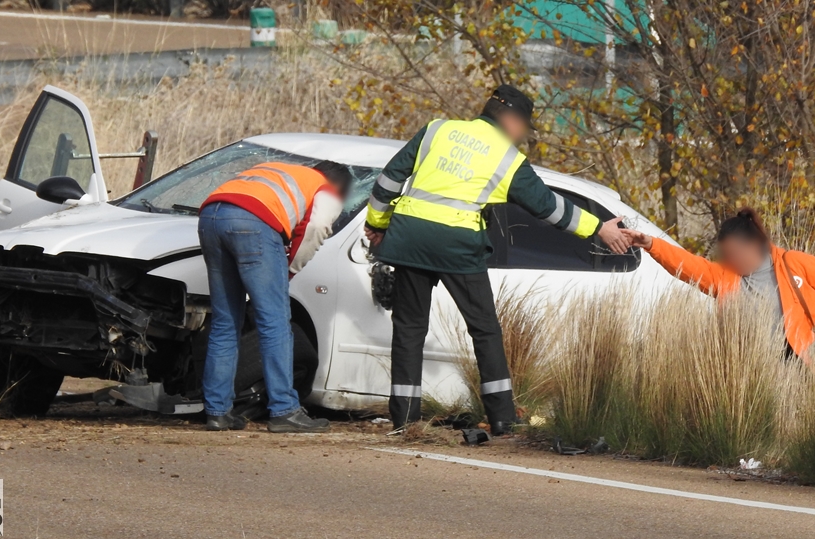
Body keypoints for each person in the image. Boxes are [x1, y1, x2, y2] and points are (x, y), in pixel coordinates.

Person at [364, 85, 631, 435]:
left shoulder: (437, 129)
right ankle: (503, 416)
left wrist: (377, 224)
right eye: (524, 128)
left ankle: (405, 421)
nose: (522, 136)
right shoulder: (506, 157)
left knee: (410, 329)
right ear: (510, 120)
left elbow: (389, 179)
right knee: (485, 329)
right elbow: (548, 206)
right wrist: (597, 228)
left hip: (410, 239)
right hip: (457, 244)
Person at [199, 160, 353, 432]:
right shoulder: (325, 189)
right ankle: (285, 410)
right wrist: (288, 271)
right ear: (338, 187)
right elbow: (316, 229)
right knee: (276, 324)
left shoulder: (281, 171)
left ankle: (218, 412)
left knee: (225, 322)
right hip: (253, 223)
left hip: (211, 216)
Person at [620, 208, 815, 359]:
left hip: (803, 363)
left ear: (754, 245)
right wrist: (651, 244)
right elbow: (688, 265)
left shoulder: (793, 262)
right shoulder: (724, 276)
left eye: (733, 253)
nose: (729, 260)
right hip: (753, 371)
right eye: (725, 254)